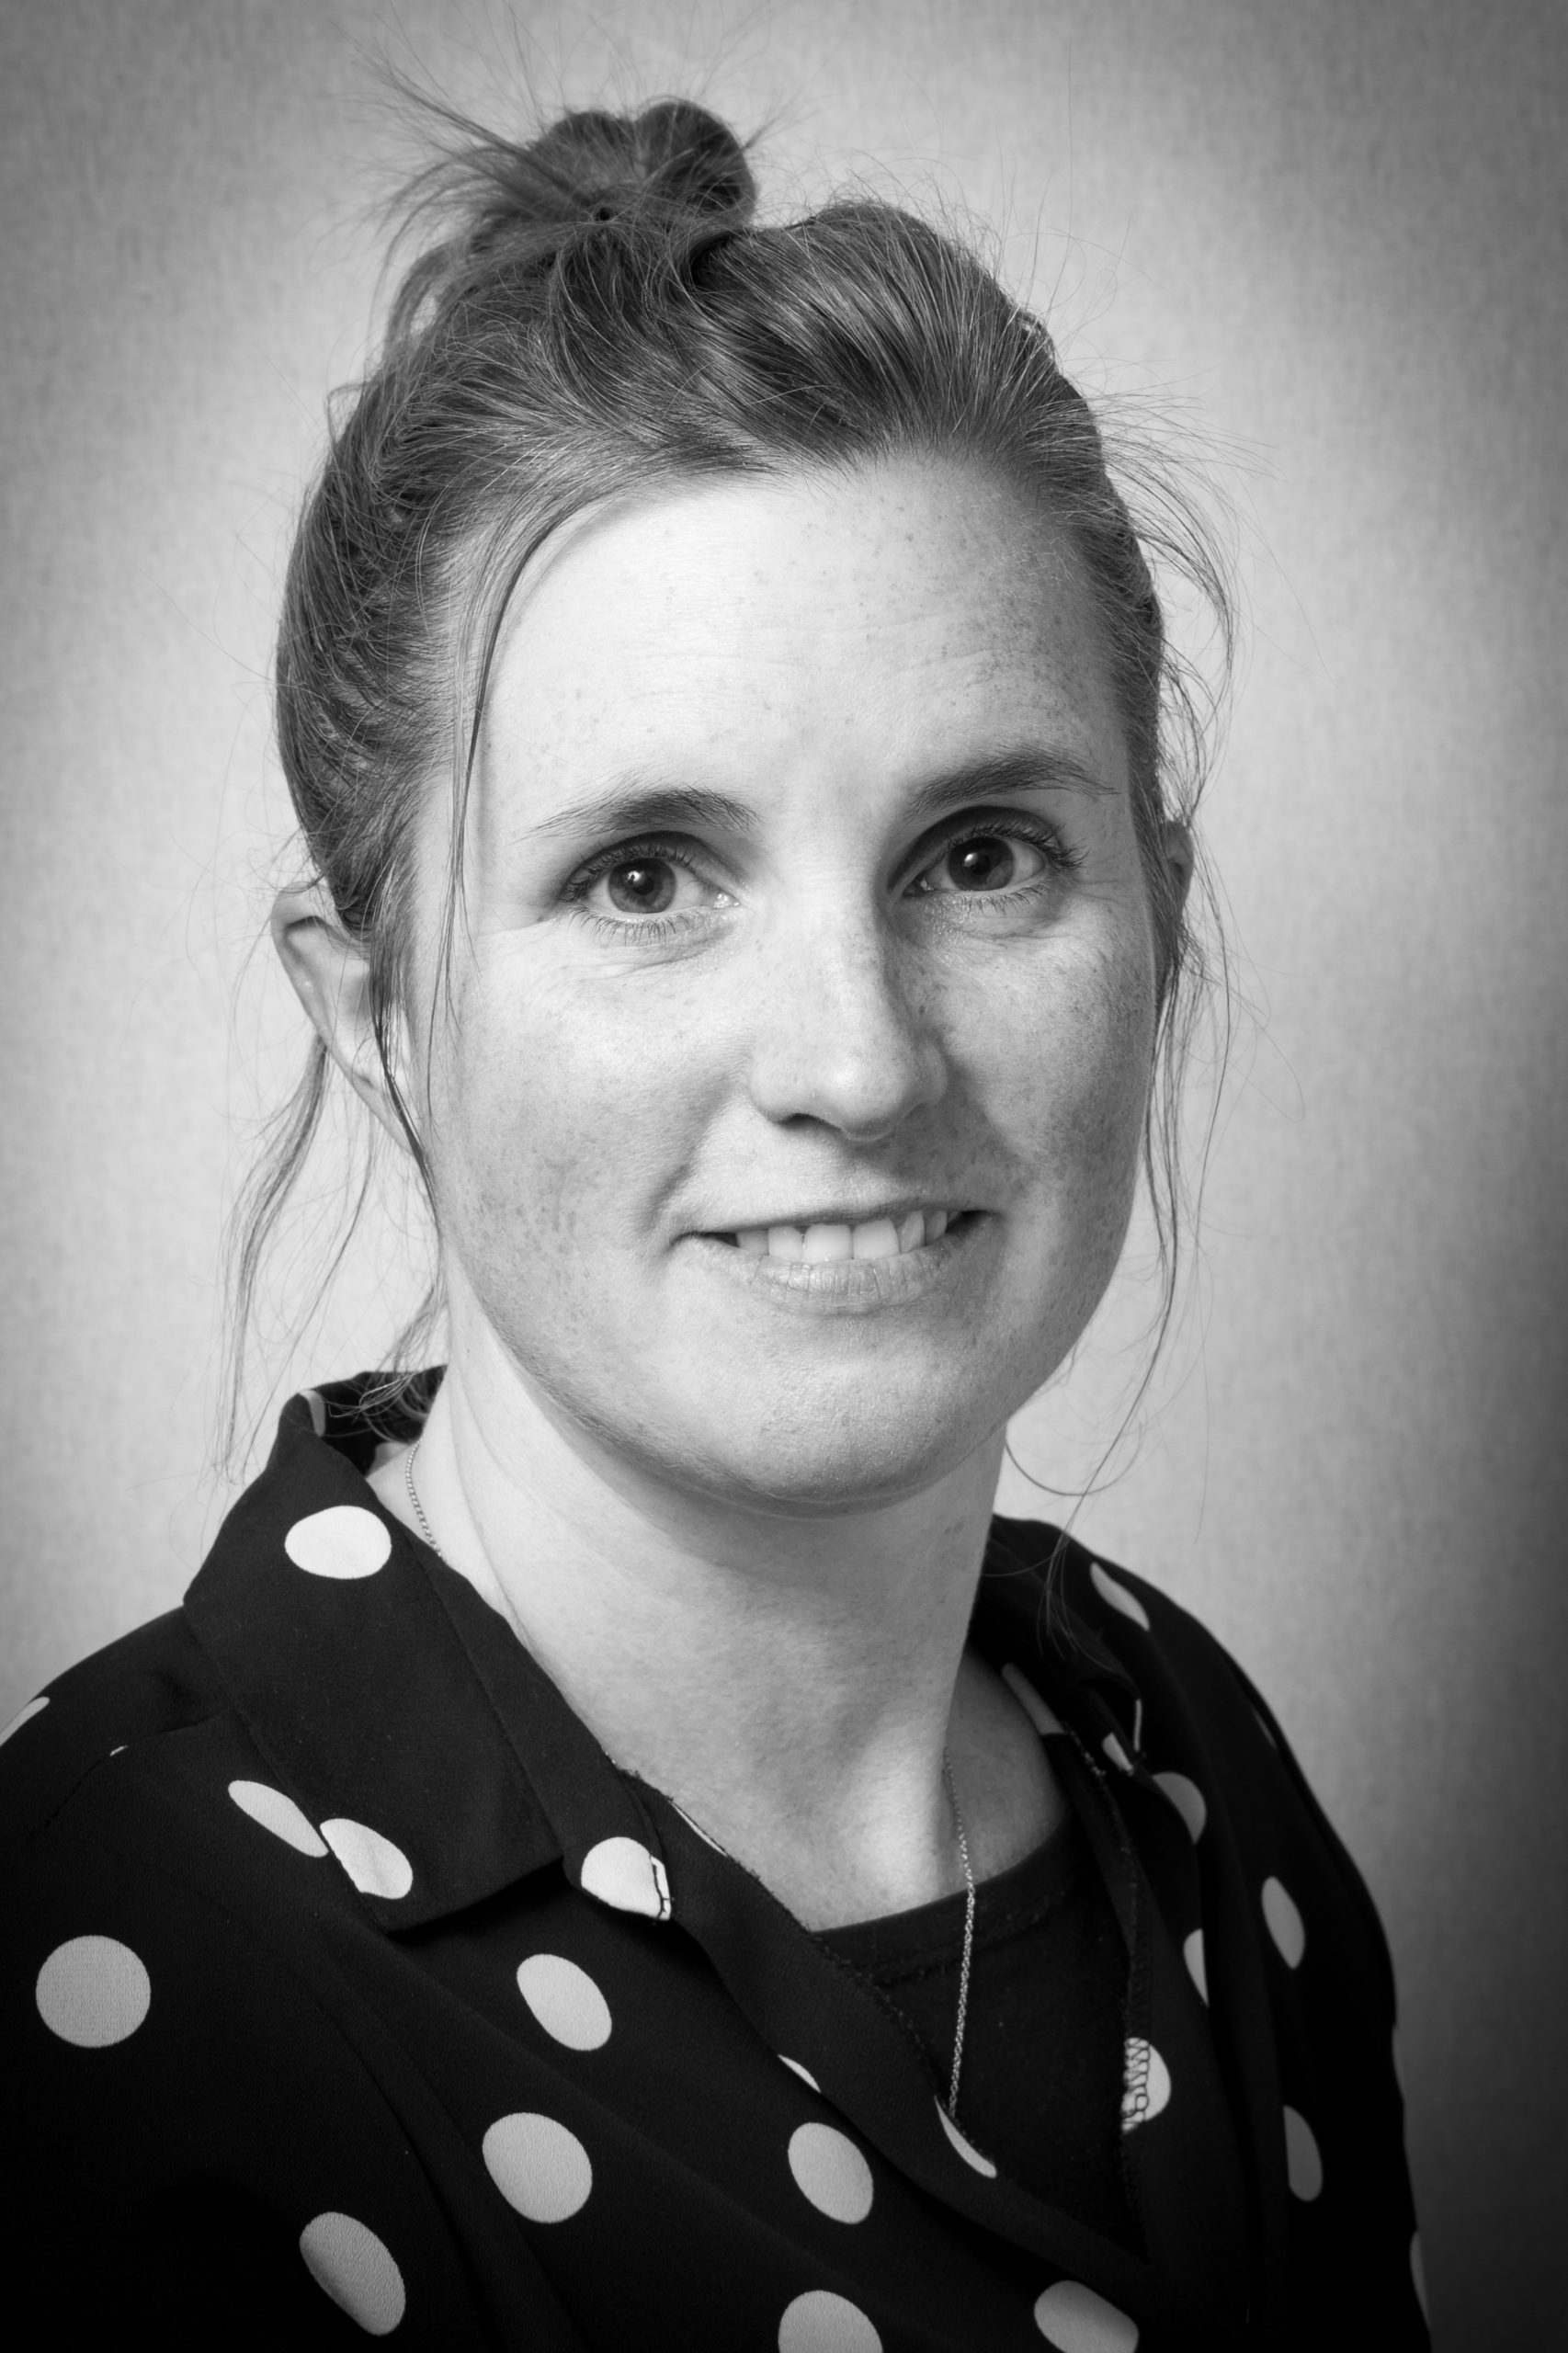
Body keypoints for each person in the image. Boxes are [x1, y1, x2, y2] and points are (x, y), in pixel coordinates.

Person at [2, 96, 1426, 2352]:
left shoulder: (1189, 1758)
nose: (855, 1060)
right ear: (374, 1010)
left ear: (1154, 914)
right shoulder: (106, 1980)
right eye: (646, 876)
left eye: (979, 854)